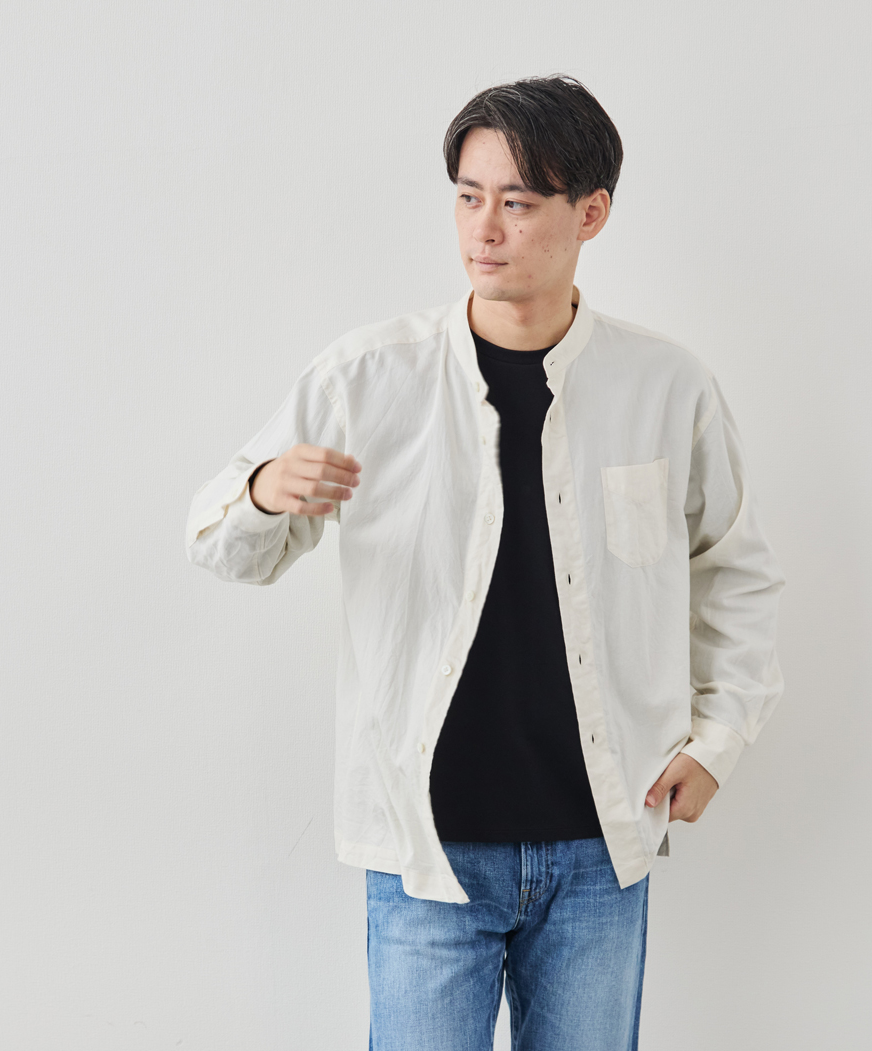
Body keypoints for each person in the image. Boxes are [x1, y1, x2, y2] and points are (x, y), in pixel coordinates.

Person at [185, 74, 785, 1051]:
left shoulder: (665, 387)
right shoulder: (368, 377)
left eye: (518, 201)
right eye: (468, 196)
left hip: (600, 845)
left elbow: (737, 571)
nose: (484, 228)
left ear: (590, 213)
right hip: (426, 852)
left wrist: (717, 741)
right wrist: (260, 492)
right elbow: (219, 545)